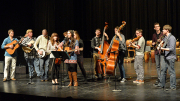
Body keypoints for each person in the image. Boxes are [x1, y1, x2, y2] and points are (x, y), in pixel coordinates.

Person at [155, 25, 176, 90]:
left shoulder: (172, 38)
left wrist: (162, 48)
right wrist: (159, 45)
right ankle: (162, 85)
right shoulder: (165, 37)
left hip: (170, 57)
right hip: (165, 56)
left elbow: (172, 48)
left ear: (167, 30)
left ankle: (173, 87)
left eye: (163, 30)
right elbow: (162, 43)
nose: (162, 31)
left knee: (171, 72)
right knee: (163, 70)